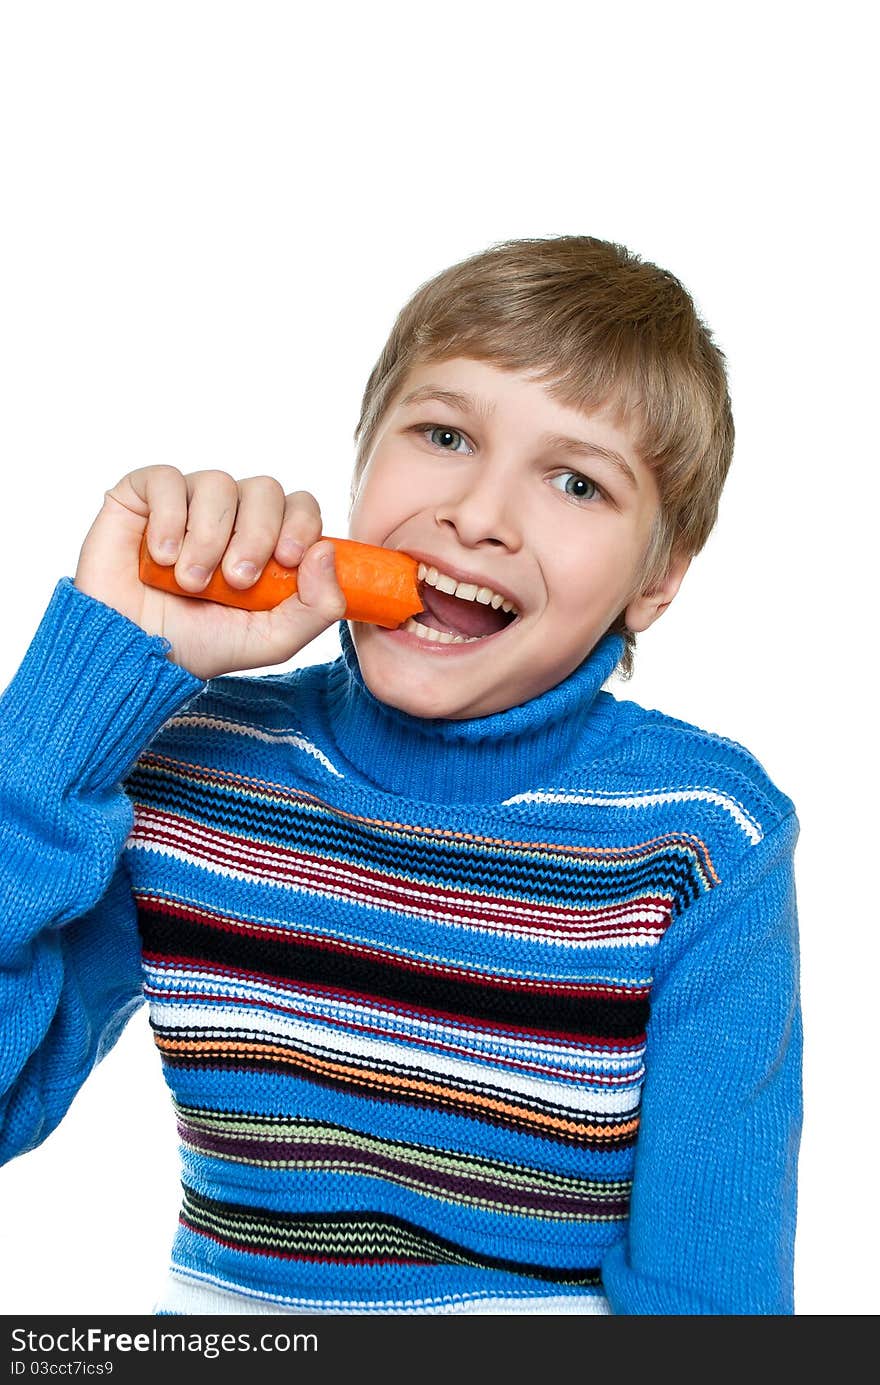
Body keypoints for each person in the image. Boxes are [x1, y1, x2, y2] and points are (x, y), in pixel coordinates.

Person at [0, 235, 801, 1316]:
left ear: (656, 577)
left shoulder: (702, 836)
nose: (478, 513)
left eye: (575, 481)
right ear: (364, 457)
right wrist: (85, 689)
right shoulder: (196, 764)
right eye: (444, 433)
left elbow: (712, 1295)